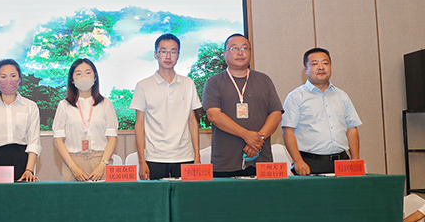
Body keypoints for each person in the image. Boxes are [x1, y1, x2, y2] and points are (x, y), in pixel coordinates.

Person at [203, 34, 283, 177]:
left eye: (245, 48)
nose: (240, 52)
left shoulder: (264, 80)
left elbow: (276, 114)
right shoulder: (214, 82)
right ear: (224, 54)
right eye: (234, 48)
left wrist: (258, 141)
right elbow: (214, 116)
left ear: (250, 52)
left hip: (261, 160)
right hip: (226, 163)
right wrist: (246, 135)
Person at [130, 33, 202, 180]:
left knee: (185, 195)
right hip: (155, 157)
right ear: (156, 54)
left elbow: (192, 122)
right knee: (155, 195)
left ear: (178, 55)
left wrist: (197, 156)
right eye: (163, 51)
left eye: (173, 51)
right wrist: (142, 161)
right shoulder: (143, 85)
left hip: (185, 155)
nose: (168, 56)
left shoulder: (188, 83)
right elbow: (139, 125)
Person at [281, 47, 361, 175]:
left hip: (342, 163)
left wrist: (355, 160)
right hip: (309, 163)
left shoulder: (342, 96)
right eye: (314, 64)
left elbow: (351, 129)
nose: (321, 67)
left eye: (325, 63)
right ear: (305, 70)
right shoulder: (296, 96)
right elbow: (288, 131)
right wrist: (298, 161)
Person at [53, 58, 118, 181]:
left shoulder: (106, 104)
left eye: (88, 73)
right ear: (72, 80)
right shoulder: (64, 105)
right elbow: (58, 140)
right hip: (72, 162)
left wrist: (102, 165)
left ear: (95, 77)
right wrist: (73, 167)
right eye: (78, 74)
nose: (83, 77)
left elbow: (112, 138)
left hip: (100, 161)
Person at [0, 59, 41, 181]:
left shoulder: (30, 106)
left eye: (13, 76)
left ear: (19, 78)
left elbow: (34, 142)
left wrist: (29, 170)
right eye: (3, 77)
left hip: (23, 162)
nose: (9, 80)